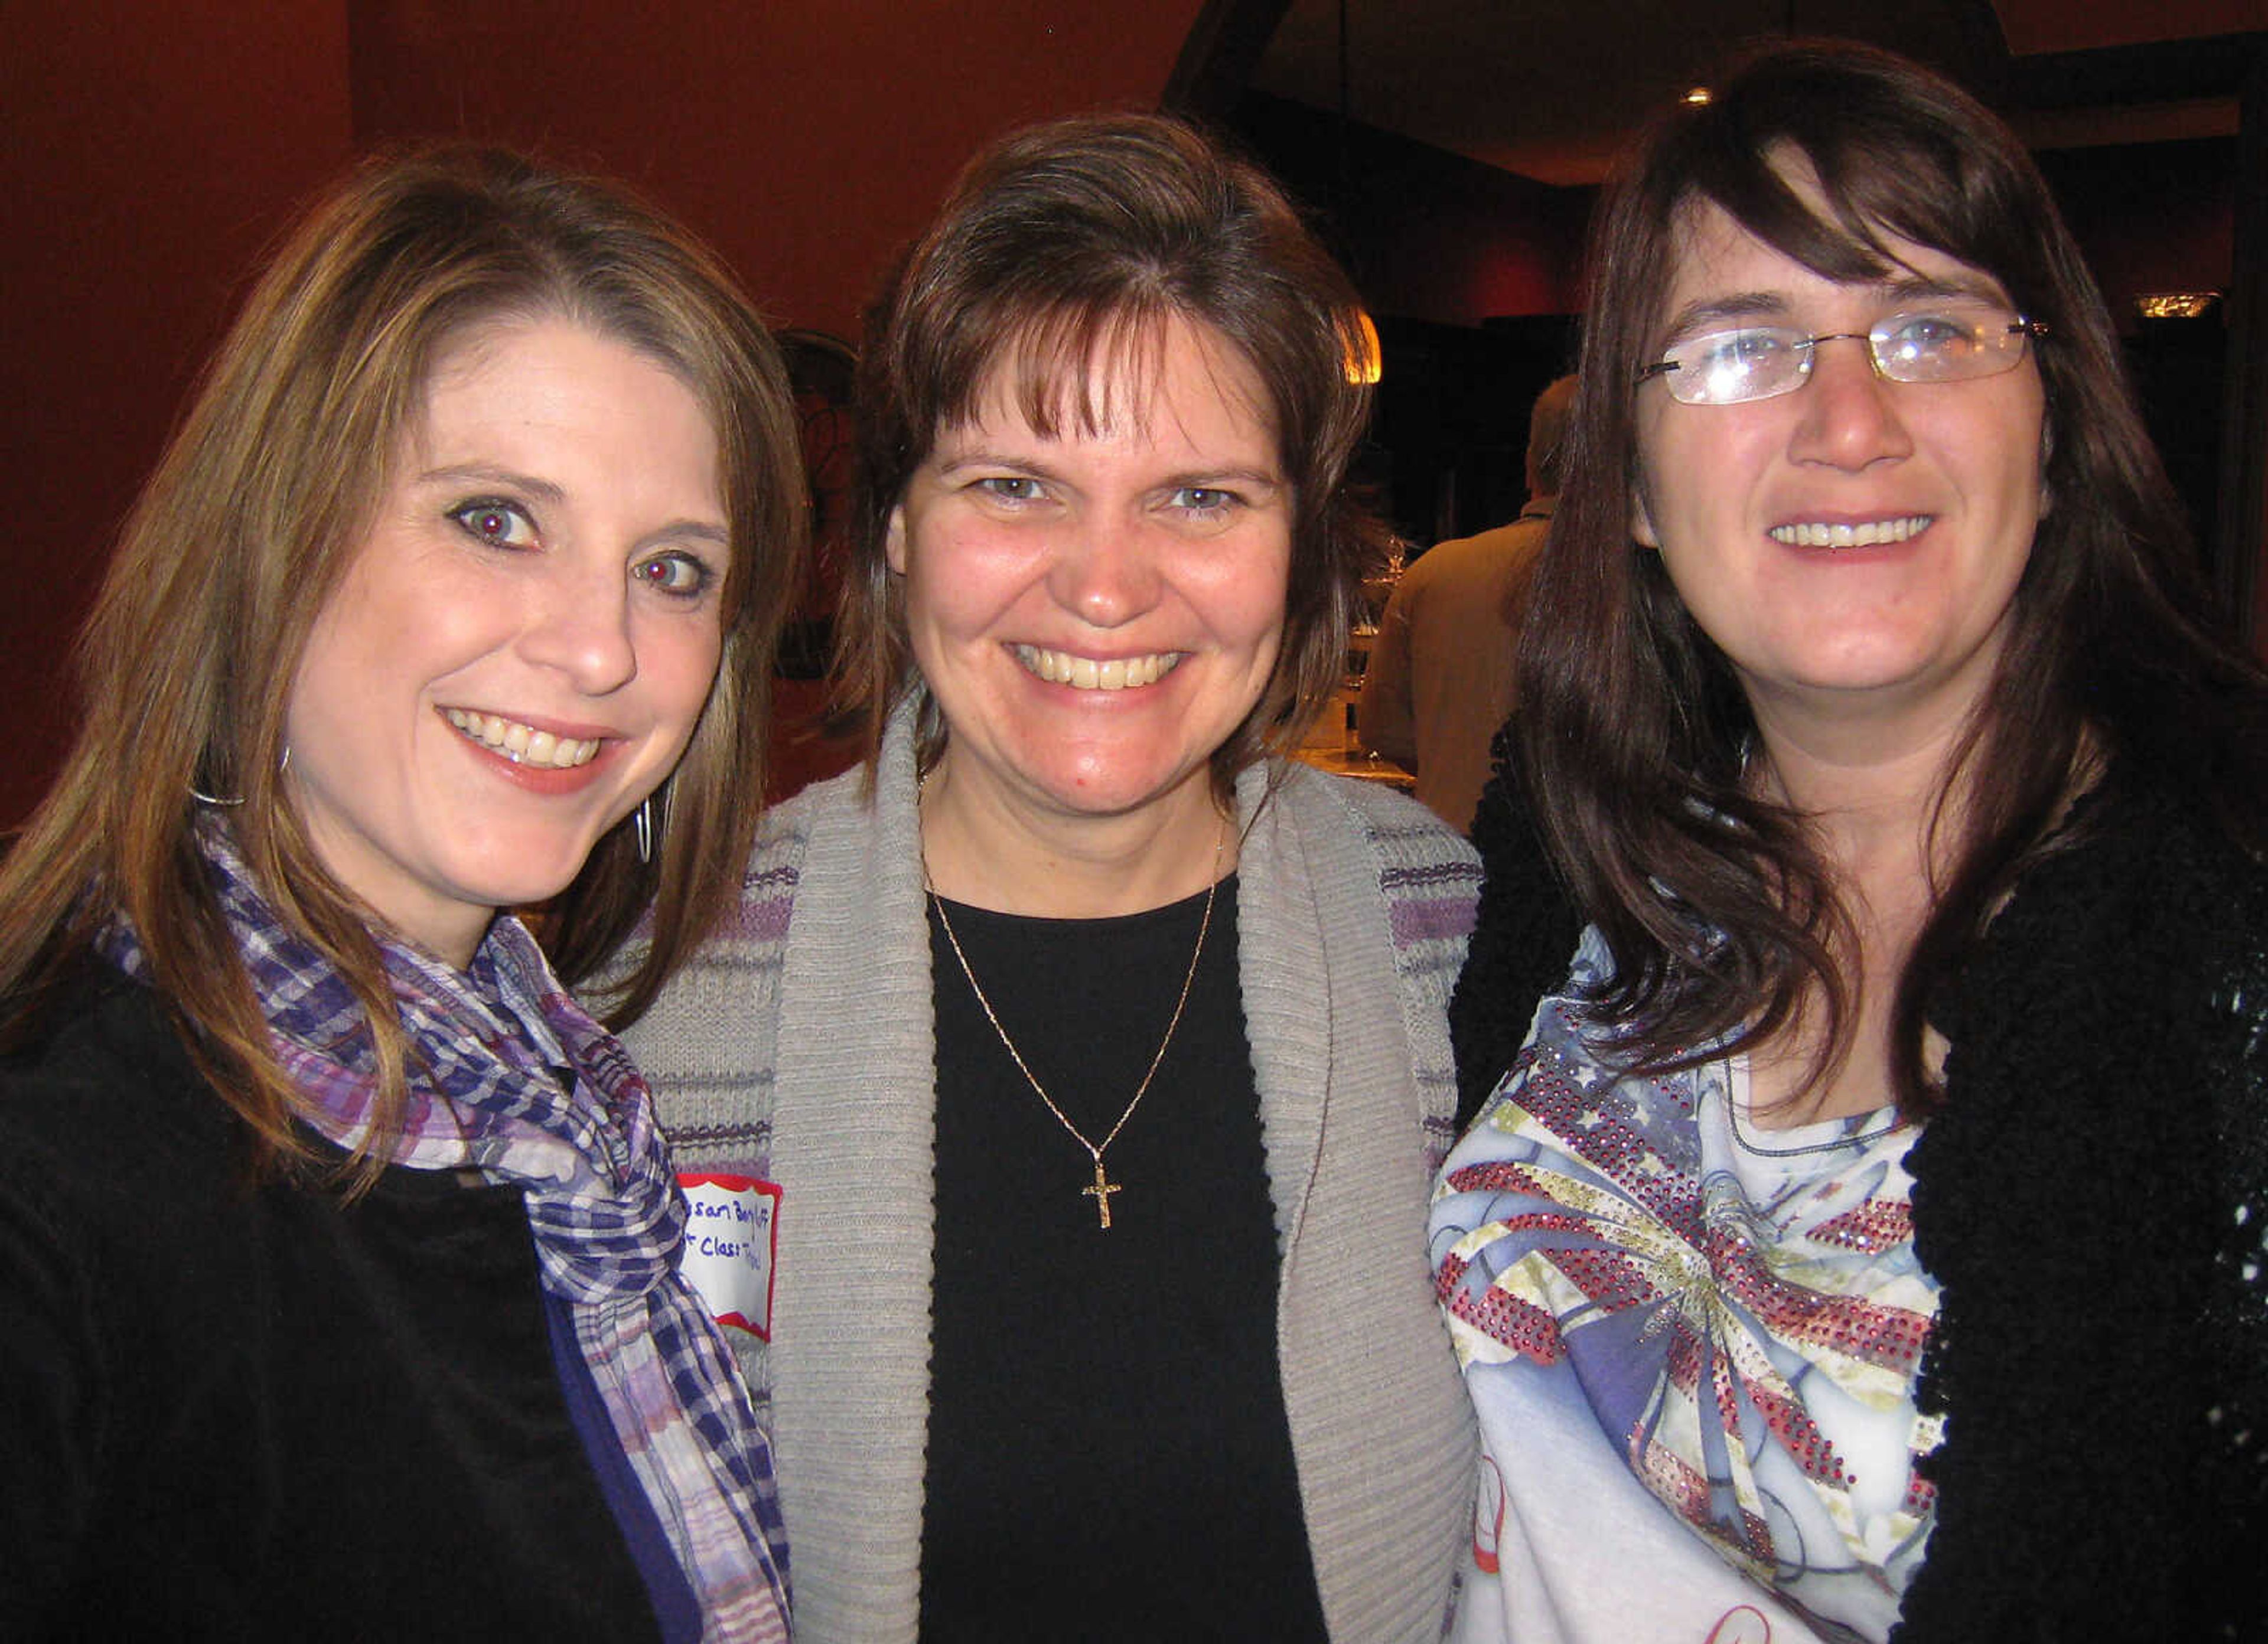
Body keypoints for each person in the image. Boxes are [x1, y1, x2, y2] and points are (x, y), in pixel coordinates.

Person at [1429, 41, 2266, 1644]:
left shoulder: (2216, 944)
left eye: (1931, 328)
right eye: (1742, 348)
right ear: (1639, 488)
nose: (1851, 419)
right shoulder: (1577, 841)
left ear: (2059, 424)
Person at [617, 113, 1479, 1641]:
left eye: (1201, 496)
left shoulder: (1442, 929)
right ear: (893, 534)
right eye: (1015, 486)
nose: (1103, 583)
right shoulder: (678, 988)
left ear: (1303, 554)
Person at [0, 148, 806, 1640]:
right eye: (495, 518)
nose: (600, 650)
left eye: (676, 568)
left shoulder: (536, 1105)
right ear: (274, 540)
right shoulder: (58, 1171)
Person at [1363, 374, 1576, 833]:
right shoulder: (1655, 585)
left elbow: (1382, 735)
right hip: (1598, 877)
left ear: (1529, 466)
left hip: (1450, 864)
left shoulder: (1437, 573)